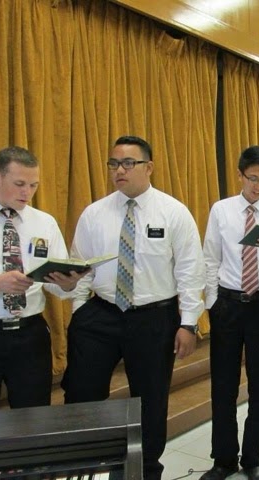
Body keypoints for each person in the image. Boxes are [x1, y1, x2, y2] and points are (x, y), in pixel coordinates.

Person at [62, 136, 206, 480]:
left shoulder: (173, 212)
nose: (119, 170)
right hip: (101, 314)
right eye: (114, 163)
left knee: (150, 401)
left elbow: (190, 271)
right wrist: (80, 309)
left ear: (149, 167)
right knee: (81, 394)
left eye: (128, 163)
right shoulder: (95, 213)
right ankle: (83, 467)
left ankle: (144, 471)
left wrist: (188, 323)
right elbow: (78, 265)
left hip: (154, 316)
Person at [0, 146, 85, 411]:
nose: (27, 193)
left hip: (30, 336)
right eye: (20, 184)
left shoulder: (44, 222)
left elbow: (56, 284)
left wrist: (68, 284)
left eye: (34, 185)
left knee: (33, 417)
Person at [201, 146, 259, 480]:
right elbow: (210, 258)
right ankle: (223, 459)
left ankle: (253, 458)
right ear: (240, 175)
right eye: (253, 178)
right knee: (223, 386)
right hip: (227, 304)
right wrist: (212, 303)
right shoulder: (222, 210)